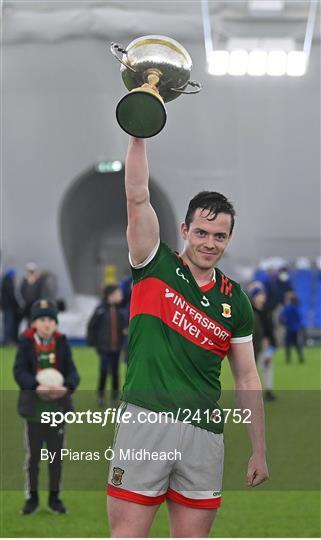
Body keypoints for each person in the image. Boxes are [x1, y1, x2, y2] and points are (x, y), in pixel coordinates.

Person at [106, 137, 269, 537]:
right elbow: (137, 196)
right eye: (201, 232)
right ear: (185, 229)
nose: (209, 243)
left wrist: (259, 450)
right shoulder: (153, 262)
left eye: (219, 236)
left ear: (229, 239)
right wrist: (139, 130)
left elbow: (247, 378)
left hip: (204, 433)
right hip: (146, 420)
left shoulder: (237, 301)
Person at [13, 299, 80, 515]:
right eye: (42, 319)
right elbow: (19, 371)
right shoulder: (25, 343)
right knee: (33, 458)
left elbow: (73, 372)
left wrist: (67, 387)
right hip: (34, 411)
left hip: (57, 411)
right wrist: (35, 386)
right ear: (34, 323)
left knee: (55, 458)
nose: (47, 323)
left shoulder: (61, 343)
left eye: (51, 319)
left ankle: (54, 499)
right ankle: (32, 498)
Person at [87, 285, 125, 406]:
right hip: (104, 347)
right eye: (118, 293)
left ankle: (115, 397)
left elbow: (123, 327)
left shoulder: (120, 311)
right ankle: (101, 395)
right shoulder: (100, 310)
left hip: (116, 347)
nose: (120, 296)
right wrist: (93, 342)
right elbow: (92, 326)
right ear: (111, 295)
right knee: (103, 370)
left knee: (115, 372)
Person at [248, 282, 276, 401]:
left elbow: (270, 329)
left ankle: (268, 391)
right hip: (252, 346)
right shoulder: (249, 311)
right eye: (260, 294)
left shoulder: (266, 310)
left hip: (266, 346)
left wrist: (269, 341)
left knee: (267, 367)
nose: (263, 296)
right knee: (251, 372)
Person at [279, 291, 305, 363]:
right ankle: (301, 358)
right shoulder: (297, 308)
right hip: (296, 329)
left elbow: (283, 318)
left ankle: (288, 359)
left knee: (288, 344)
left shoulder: (288, 308)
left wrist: (284, 322)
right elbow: (300, 319)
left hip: (289, 328)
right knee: (297, 344)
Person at [0, 267, 21, 344]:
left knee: (6, 323)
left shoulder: (4, 281)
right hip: (9, 307)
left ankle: (6, 339)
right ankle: (7, 340)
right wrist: (18, 305)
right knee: (9, 323)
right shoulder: (9, 282)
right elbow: (12, 295)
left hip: (6, 307)